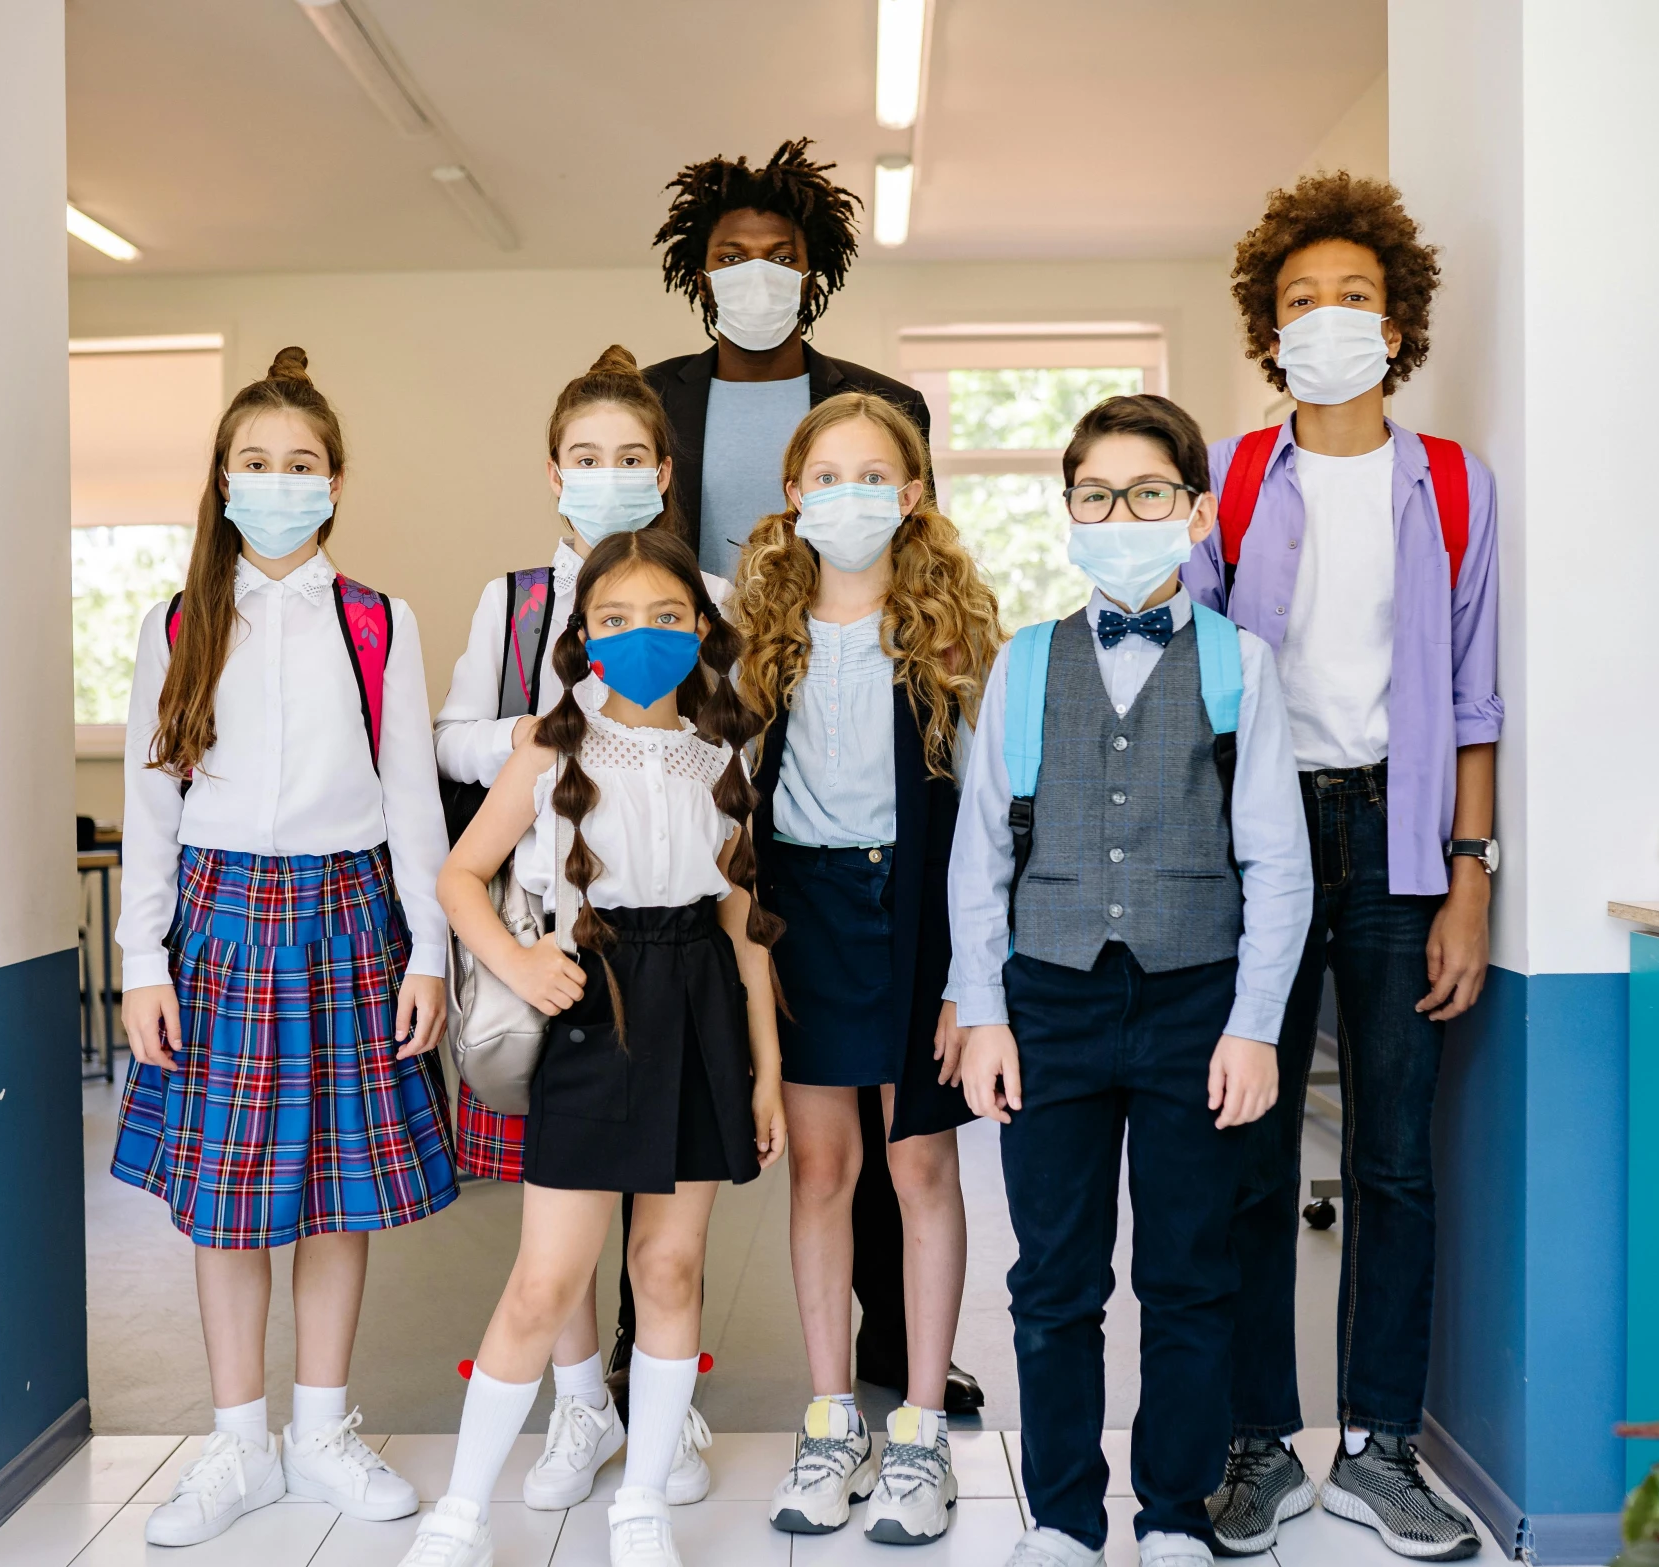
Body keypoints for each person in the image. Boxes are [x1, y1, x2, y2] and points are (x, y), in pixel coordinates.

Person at [1182, 172, 1501, 1563]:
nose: (1326, 318)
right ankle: (1258, 1441)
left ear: (1397, 321)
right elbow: (1184, 660)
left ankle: (1379, 1444)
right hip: (1257, 838)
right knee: (1245, 1150)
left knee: (1394, 1158)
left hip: (1399, 839)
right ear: (1269, 325)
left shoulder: (1447, 480)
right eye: (1300, 300)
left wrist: (1469, 873)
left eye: (1352, 296)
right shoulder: (1237, 478)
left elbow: (1475, 692)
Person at [641, 134, 982, 1417]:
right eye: (731, 260)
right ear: (698, 274)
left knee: (902, 1142)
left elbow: (930, 610)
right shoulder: (661, 397)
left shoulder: (872, 399)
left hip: (868, 761)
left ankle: (904, 1363)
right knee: (719, 1106)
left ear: (816, 272)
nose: (756, 277)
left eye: (780, 259)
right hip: (724, 738)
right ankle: (652, 1351)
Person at [950, 394, 1313, 1567]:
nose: (1122, 514)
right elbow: (981, 859)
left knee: (1188, 1278)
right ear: (1068, 513)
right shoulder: (1023, 663)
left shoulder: (1238, 666)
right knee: (1052, 1281)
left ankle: (1172, 1512)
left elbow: (1276, 863)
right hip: (1047, 998)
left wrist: (1254, 1027)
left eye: (1147, 493)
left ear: (1191, 510)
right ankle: (1058, 1515)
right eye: (1097, 495)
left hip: (1193, 1003)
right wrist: (986, 1013)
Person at [114, 347, 454, 1546]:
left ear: (336, 481)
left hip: (352, 914)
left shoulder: (379, 622)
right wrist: (141, 960)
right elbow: (154, 801)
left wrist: (430, 953)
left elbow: (413, 797)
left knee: (333, 1190)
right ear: (221, 480)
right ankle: (239, 1444)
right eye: (253, 463)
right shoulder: (178, 621)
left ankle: (320, 1431)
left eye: (298, 463)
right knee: (228, 1199)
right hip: (216, 922)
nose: (276, 480)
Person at [408, 529, 789, 1567]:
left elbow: (741, 923)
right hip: (593, 1003)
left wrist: (763, 1072)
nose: (643, 634)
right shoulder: (552, 741)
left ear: (702, 629)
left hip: (701, 1005)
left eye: (667, 616)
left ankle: (641, 1510)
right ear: (582, 636)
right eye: (614, 618)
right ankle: (461, 1512)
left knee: (670, 1271)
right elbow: (458, 877)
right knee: (546, 1278)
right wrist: (520, 961)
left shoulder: (724, 747)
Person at [431, 344, 730, 1513]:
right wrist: (543, 733)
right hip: (566, 954)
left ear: (663, 472)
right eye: (583, 457)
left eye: (629, 457)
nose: (606, 475)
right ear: (554, 472)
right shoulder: (517, 609)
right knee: (548, 1262)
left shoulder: (710, 660)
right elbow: (454, 755)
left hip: (692, 974)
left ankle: (644, 1466)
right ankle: (566, 1419)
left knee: (666, 1258)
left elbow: (738, 880)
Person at [731, 393, 1001, 1545]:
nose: (847, 494)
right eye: (824, 474)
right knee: (822, 1172)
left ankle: (922, 1431)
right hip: (805, 915)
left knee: (921, 1172)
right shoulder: (761, 638)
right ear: (795, 494)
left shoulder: (946, 636)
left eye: (871, 474)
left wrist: (967, 979)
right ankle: (832, 1416)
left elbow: (987, 821)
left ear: (912, 495)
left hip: (919, 917)